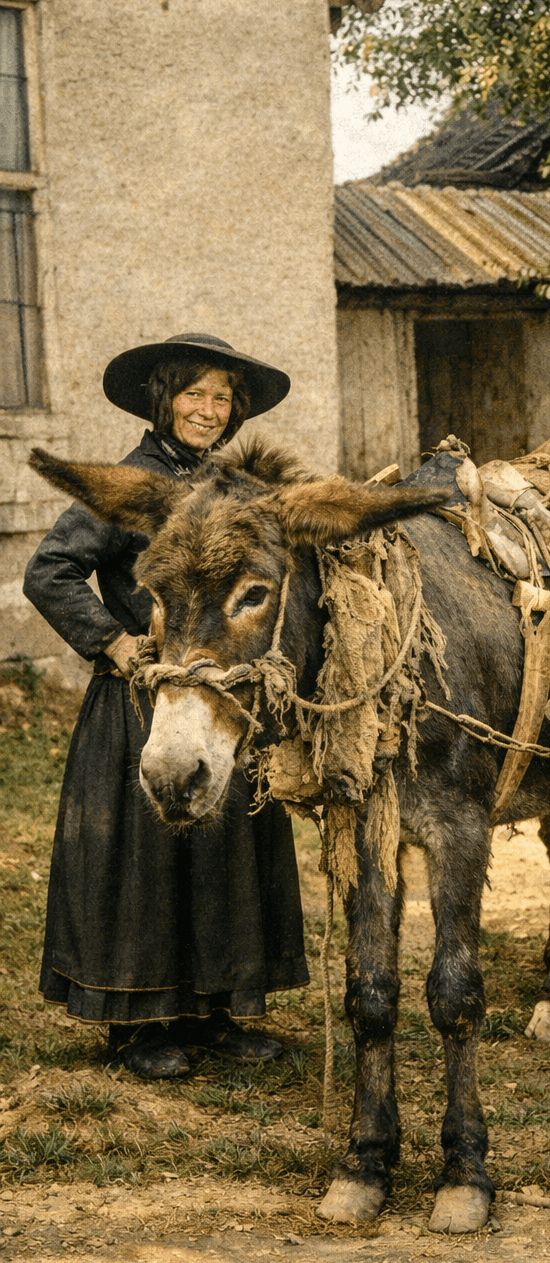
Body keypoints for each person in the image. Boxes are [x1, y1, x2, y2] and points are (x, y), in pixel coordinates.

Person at [23, 333, 310, 1080]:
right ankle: (139, 1024)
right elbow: (48, 571)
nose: (208, 410)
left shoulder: (236, 488)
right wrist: (113, 643)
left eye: (222, 398)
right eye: (194, 394)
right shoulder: (135, 482)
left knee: (222, 854)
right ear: (164, 400)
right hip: (143, 697)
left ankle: (216, 1011)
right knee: (146, 863)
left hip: (220, 697)